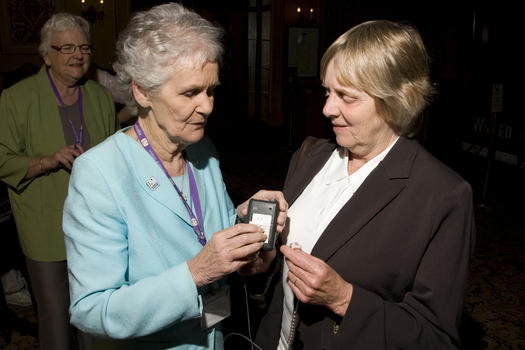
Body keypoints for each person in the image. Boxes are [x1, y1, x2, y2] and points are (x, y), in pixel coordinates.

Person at [62, 3, 287, 349]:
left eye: (210, 90)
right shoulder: (99, 173)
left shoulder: (201, 147)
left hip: (215, 335)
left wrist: (246, 234)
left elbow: (207, 231)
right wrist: (194, 274)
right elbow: (92, 310)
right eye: (190, 93)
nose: (208, 106)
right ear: (142, 92)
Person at [241, 20, 476, 349]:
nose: (327, 108)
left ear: (397, 99)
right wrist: (261, 260)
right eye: (327, 91)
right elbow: (285, 272)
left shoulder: (442, 196)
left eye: (346, 97)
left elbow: (436, 339)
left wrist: (344, 299)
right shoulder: (309, 157)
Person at [0, 13, 120, 350]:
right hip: (44, 224)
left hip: (95, 223)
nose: (77, 55)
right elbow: (2, 159)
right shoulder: (16, 98)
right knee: (55, 313)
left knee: (93, 310)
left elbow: (113, 154)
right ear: (46, 53)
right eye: (66, 47)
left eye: (83, 47)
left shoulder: (98, 96)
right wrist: (46, 161)